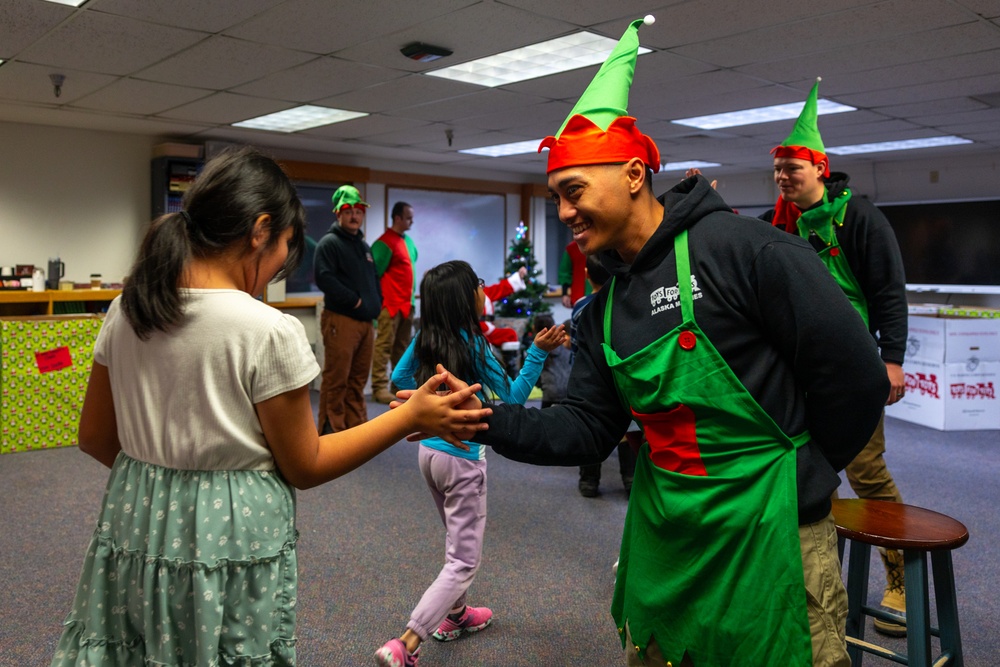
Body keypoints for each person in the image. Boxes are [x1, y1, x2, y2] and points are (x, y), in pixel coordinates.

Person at [412, 16, 888, 666]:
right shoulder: (601, 312)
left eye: (572, 191)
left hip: (772, 536)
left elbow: (856, 377)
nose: (563, 212)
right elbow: (584, 429)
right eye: (556, 197)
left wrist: (802, 471)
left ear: (635, 174)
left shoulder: (750, 254)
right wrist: (481, 418)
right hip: (666, 541)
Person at [50, 147, 491, 666]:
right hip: (228, 542)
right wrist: (408, 416)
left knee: (140, 646)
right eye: (286, 244)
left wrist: (167, 482)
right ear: (260, 230)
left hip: (138, 524)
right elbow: (305, 464)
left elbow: (96, 436)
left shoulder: (128, 307)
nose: (283, 260)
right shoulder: (266, 329)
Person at [762, 77, 909, 637]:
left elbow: (889, 291)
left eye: (791, 170)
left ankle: (897, 579)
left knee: (866, 470)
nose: (782, 179)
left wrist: (890, 359)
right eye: (777, 171)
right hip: (794, 372)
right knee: (806, 473)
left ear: (820, 168)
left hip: (852, 371)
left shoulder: (860, 218)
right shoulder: (779, 223)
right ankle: (817, 582)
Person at [375, 260, 566, 667]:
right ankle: (406, 642)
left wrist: (437, 405)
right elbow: (511, 406)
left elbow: (400, 380)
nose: (485, 288)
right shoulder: (477, 346)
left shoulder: (425, 337)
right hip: (463, 463)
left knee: (454, 544)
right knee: (463, 561)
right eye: (479, 283)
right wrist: (536, 352)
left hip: (429, 455)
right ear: (466, 299)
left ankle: (457, 616)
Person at [314, 184, 381, 434]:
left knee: (358, 380)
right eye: (348, 211)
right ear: (338, 214)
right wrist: (356, 302)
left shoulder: (364, 247)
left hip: (366, 323)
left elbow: (374, 279)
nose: (354, 216)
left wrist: (376, 304)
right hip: (341, 320)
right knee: (336, 379)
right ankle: (332, 430)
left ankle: (356, 429)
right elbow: (325, 279)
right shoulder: (329, 244)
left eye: (358, 211)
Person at [572, 255, 637, 498]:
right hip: (619, 373)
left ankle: (589, 480)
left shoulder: (580, 306)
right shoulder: (622, 301)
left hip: (589, 377)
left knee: (589, 425)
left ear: (587, 274)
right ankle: (630, 479)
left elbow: (576, 344)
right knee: (626, 425)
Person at [370, 201, 418, 404]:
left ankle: (397, 386)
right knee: (384, 346)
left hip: (407, 304)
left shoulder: (409, 242)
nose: (411, 221)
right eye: (408, 217)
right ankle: (379, 387)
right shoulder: (384, 243)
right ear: (397, 218)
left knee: (402, 348)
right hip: (389, 305)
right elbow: (373, 275)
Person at [531, 313, 571, 409]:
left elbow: (532, 377)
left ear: (534, 329)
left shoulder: (534, 352)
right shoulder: (564, 348)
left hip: (549, 395)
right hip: (568, 393)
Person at [559, 240, 591, 307]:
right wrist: (565, 293)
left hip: (599, 296)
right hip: (578, 298)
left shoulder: (602, 246)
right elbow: (565, 272)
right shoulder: (571, 248)